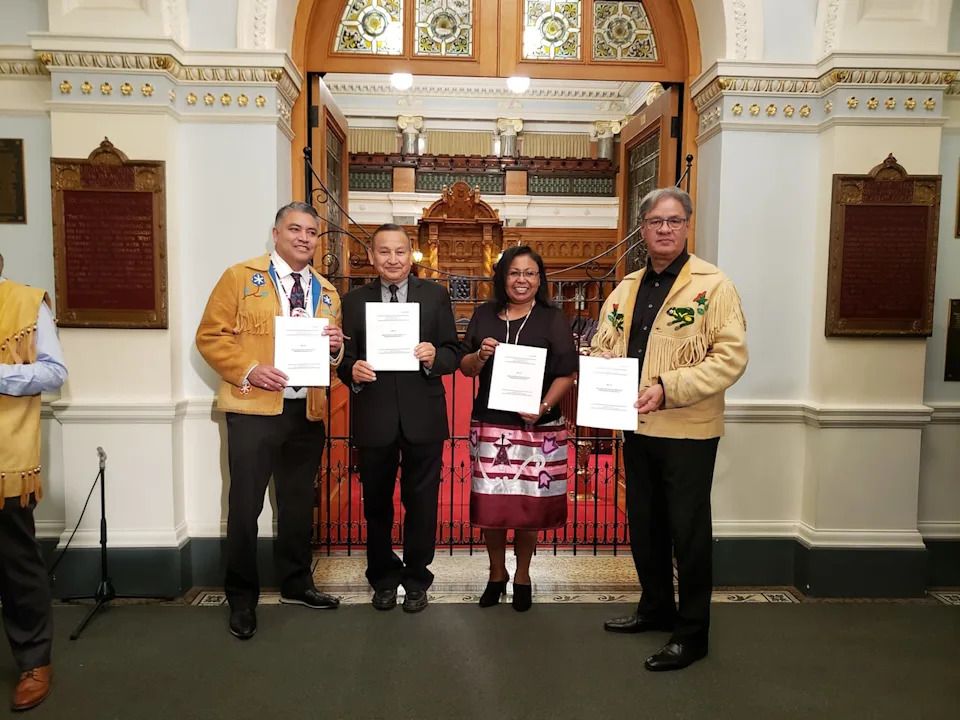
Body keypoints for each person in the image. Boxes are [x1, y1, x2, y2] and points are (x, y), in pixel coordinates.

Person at [589, 187, 747, 671]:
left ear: (687, 226)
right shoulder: (628, 286)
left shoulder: (713, 286)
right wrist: (599, 370)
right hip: (635, 427)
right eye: (656, 221)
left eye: (674, 221)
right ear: (643, 229)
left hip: (688, 430)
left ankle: (693, 632)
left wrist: (668, 386)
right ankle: (656, 607)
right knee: (646, 525)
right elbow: (602, 341)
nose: (664, 229)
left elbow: (730, 357)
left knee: (688, 533)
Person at [196, 201, 345, 640]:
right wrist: (249, 369)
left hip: (307, 411)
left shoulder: (327, 292)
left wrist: (335, 349)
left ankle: (297, 583)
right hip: (255, 408)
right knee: (246, 507)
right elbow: (210, 335)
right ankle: (242, 598)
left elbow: (332, 362)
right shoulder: (241, 277)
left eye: (312, 232)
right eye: (295, 229)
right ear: (276, 233)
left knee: (299, 505)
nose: (304, 237)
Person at [337, 224, 460, 613]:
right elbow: (343, 356)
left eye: (400, 252)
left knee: (422, 502)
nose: (393, 259)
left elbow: (453, 351)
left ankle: (417, 578)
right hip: (374, 415)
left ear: (412, 256)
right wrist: (351, 369)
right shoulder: (353, 301)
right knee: (376, 503)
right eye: (384, 252)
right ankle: (383, 578)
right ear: (372, 257)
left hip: (423, 414)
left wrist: (434, 357)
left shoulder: (435, 296)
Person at [460, 246, 576, 611]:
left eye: (529, 273)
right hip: (492, 424)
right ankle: (497, 574)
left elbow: (568, 373)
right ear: (502, 277)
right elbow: (464, 367)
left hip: (538, 427)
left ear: (539, 280)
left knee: (529, 506)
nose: (521, 280)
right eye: (514, 273)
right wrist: (479, 355)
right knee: (493, 507)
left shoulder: (551, 319)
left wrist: (542, 407)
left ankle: (523, 574)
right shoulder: (484, 316)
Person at [0, 253, 67, 710]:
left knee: (15, 564)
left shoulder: (25, 304)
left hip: (5, 457)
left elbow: (54, 372)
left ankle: (34, 660)